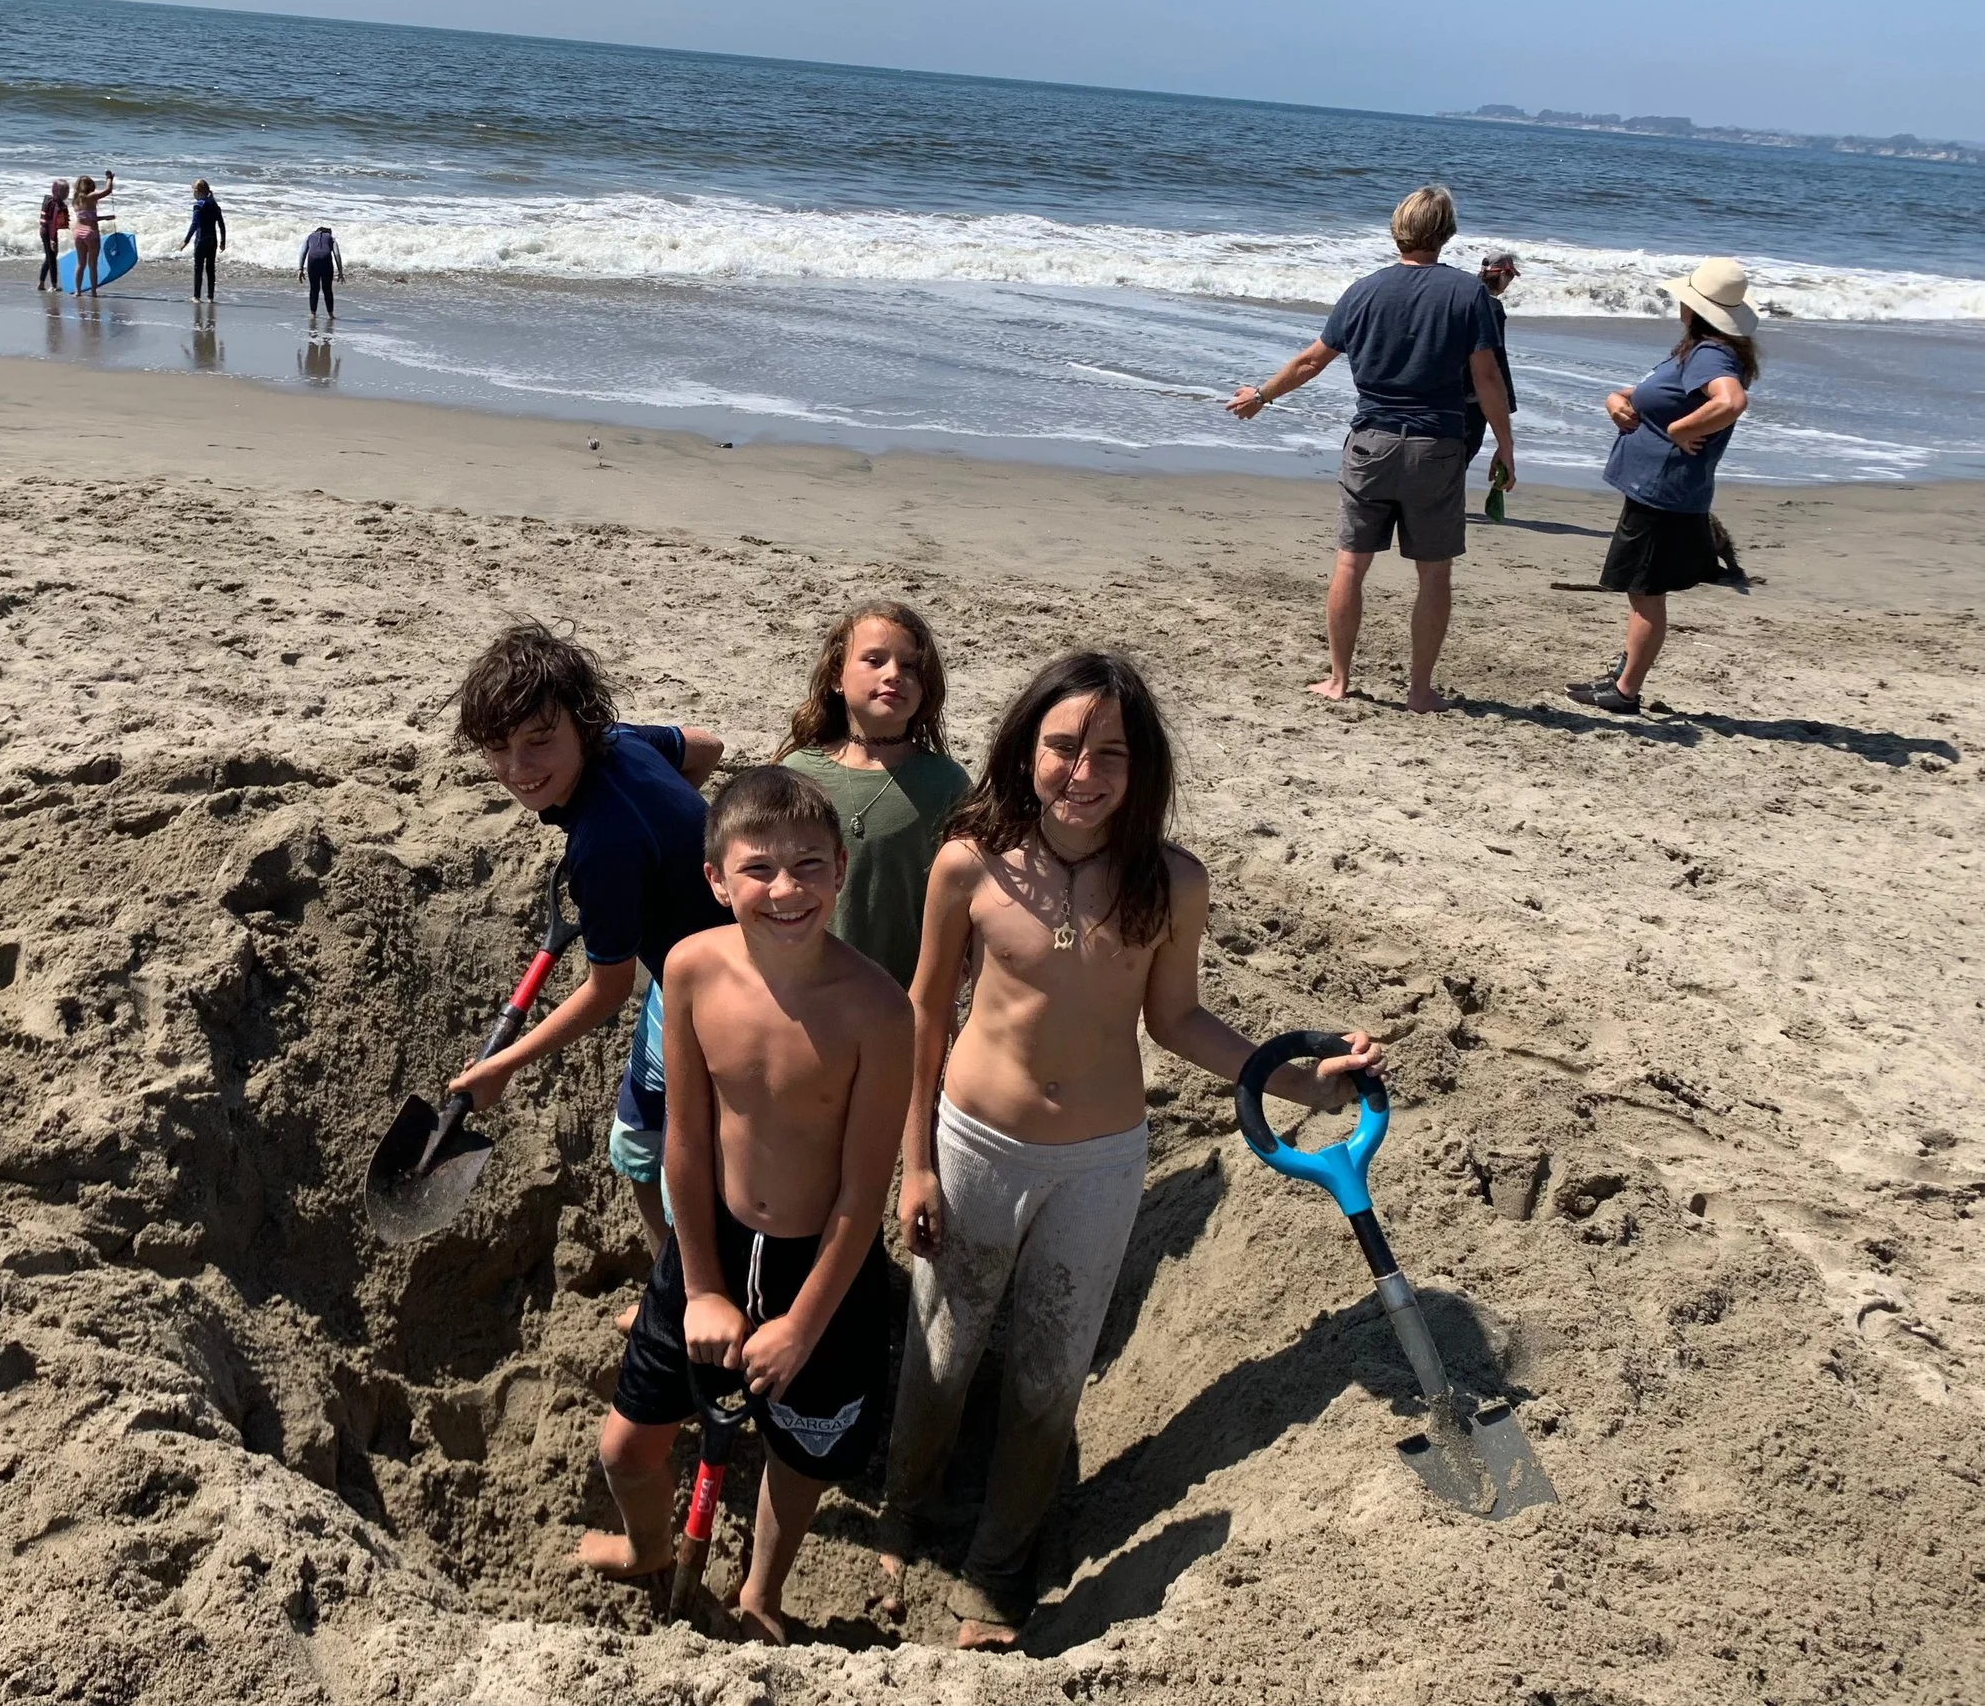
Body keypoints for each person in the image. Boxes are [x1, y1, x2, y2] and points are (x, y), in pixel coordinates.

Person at [879, 651, 1382, 1648]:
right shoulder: (969, 862)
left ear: (1141, 767)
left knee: (1051, 1368)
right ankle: (905, 1512)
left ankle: (998, 1565)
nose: (1083, 772)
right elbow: (924, 1013)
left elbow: (1177, 1019)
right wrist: (917, 1161)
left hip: (1099, 1162)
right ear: (1024, 750)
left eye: (1110, 753)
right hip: (973, 1142)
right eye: (1063, 745)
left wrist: (1303, 1082)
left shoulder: (1171, 883)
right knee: (941, 1345)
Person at [578, 766, 912, 1644]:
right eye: (758, 868)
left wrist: (801, 1324)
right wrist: (700, 1287)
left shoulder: (879, 1011)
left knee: (800, 1454)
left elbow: (862, 1192)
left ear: (841, 869)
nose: (786, 889)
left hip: (820, 1262)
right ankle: (648, 1546)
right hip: (711, 1242)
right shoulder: (691, 968)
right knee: (625, 1449)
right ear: (716, 879)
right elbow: (685, 1142)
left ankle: (762, 1588)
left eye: (808, 865)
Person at [450, 624, 727, 1274]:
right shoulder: (624, 741)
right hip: (676, 988)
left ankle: (688, 1299)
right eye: (498, 748)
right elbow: (707, 746)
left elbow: (607, 990)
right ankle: (667, 1291)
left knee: (683, 1181)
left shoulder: (602, 846)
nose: (519, 769)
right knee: (637, 1144)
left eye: (538, 741)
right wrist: (676, 840)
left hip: (717, 1012)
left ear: (581, 723)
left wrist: (503, 1065)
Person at [1228, 186, 1517, 713]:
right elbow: (1487, 378)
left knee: (1350, 564)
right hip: (1436, 444)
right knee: (1434, 572)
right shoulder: (1467, 294)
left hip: (1371, 442)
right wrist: (1504, 444)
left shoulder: (1364, 290)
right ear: (1446, 233)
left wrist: (1261, 395)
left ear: (1396, 229)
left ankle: (1338, 680)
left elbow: (1312, 361)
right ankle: (1419, 691)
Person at [1568, 258, 1759, 713]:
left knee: (1645, 593)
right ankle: (1623, 675)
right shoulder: (1700, 350)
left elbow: (1732, 400)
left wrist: (1679, 430)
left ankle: (1624, 691)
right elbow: (1652, 394)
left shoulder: (1710, 353)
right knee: (1642, 590)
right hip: (1658, 491)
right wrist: (1615, 400)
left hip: (1664, 493)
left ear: (1696, 308)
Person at [772, 601, 969, 989]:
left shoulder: (946, 783)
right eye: (874, 660)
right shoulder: (796, 772)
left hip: (905, 992)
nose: (894, 674)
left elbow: (971, 892)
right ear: (837, 677)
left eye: (910, 666)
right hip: (802, 984)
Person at [1461, 250, 1520, 459]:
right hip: (1473, 400)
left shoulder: (1461, 297)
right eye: (1510, 277)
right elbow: (1497, 360)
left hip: (1445, 395)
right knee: (1462, 458)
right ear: (1503, 275)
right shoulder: (1492, 307)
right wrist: (1507, 404)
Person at [69, 172, 115, 295]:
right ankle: (94, 292)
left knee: (80, 264)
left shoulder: (75, 201)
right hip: (91, 233)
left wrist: (105, 218)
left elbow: (86, 217)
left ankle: (78, 291)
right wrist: (109, 178)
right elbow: (108, 190)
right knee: (92, 265)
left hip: (77, 232)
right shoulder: (91, 196)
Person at [182, 180, 227, 301]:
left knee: (198, 268)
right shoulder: (215, 205)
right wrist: (223, 242)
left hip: (201, 240)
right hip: (213, 241)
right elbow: (221, 225)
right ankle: (210, 297)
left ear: (197, 191)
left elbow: (194, 224)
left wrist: (186, 241)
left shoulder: (199, 205)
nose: (192, 193)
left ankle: (196, 296)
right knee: (210, 269)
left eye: (193, 191)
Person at [299, 223, 344, 323]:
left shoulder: (309, 237)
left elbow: (303, 252)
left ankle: (312, 313)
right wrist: (340, 271)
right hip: (326, 261)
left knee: (314, 289)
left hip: (312, 261)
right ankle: (331, 315)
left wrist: (300, 269)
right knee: (327, 289)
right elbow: (337, 253)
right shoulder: (331, 238)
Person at [38, 180, 70, 292]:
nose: (67, 193)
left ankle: (41, 283)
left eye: (67, 190)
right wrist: (52, 240)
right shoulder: (54, 204)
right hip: (48, 232)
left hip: (45, 231)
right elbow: (52, 224)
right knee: (52, 258)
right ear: (57, 191)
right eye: (64, 191)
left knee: (49, 257)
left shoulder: (51, 201)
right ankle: (54, 285)